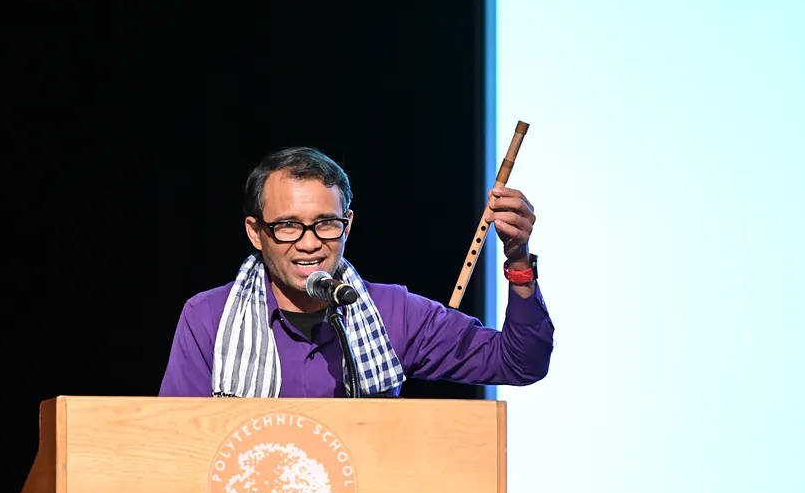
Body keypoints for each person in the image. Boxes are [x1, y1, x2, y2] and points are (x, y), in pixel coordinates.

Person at [158, 146, 553, 398]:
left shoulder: (394, 313)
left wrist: (518, 260)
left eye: (326, 224)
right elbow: (175, 440)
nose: (309, 243)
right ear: (255, 232)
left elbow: (521, 363)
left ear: (347, 225)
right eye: (288, 226)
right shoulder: (208, 317)